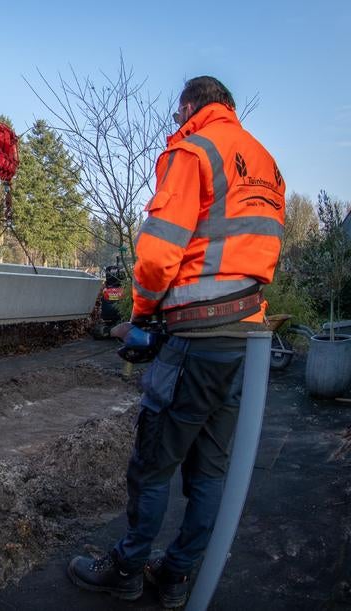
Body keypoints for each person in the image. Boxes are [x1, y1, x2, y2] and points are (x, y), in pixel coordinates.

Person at [67, 76, 285, 608]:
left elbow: (160, 251)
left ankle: (126, 569)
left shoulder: (194, 149)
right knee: (210, 469)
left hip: (195, 338)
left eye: (177, 114)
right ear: (232, 107)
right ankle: (177, 576)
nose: (176, 123)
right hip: (246, 341)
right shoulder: (266, 164)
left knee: (152, 464)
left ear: (191, 106)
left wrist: (142, 316)